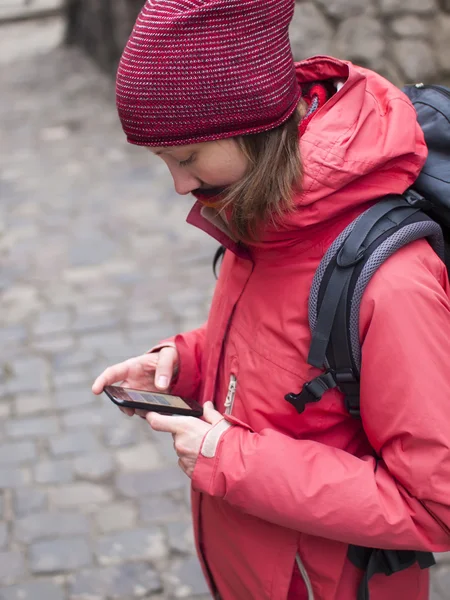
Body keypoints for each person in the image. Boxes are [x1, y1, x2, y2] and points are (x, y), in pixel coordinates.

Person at [92, 1, 450, 598]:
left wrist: (229, 458)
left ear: (254, 125)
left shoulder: (393, 281)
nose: (180, 185)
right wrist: (186, 363)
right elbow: (291, 349)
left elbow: (435, 504)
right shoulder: (263, 210)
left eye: (186, 158)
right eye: (164, 162)